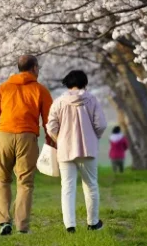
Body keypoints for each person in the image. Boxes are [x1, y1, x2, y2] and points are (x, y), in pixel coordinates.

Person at [0, 55, 54, 236]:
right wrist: (51, 140)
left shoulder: (4, 88)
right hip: (26, 137)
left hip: (4, 136)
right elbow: (49, 121)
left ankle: (4, 221)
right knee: (25, 183)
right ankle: (22, 226)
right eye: (38, 67)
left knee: (2, 180)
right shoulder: (40, 90)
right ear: (34, 68)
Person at [46, 70, 106, 233]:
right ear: (84, 83)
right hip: (88, 150)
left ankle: (70, 225)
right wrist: (94, 137)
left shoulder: (59, 102)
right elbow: (101, 125)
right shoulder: (92, 100)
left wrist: (60, 140)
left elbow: (51, 126)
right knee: (91, 186)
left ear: (67, 84)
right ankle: (93, 223)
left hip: (65, 151)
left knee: (67, 187)